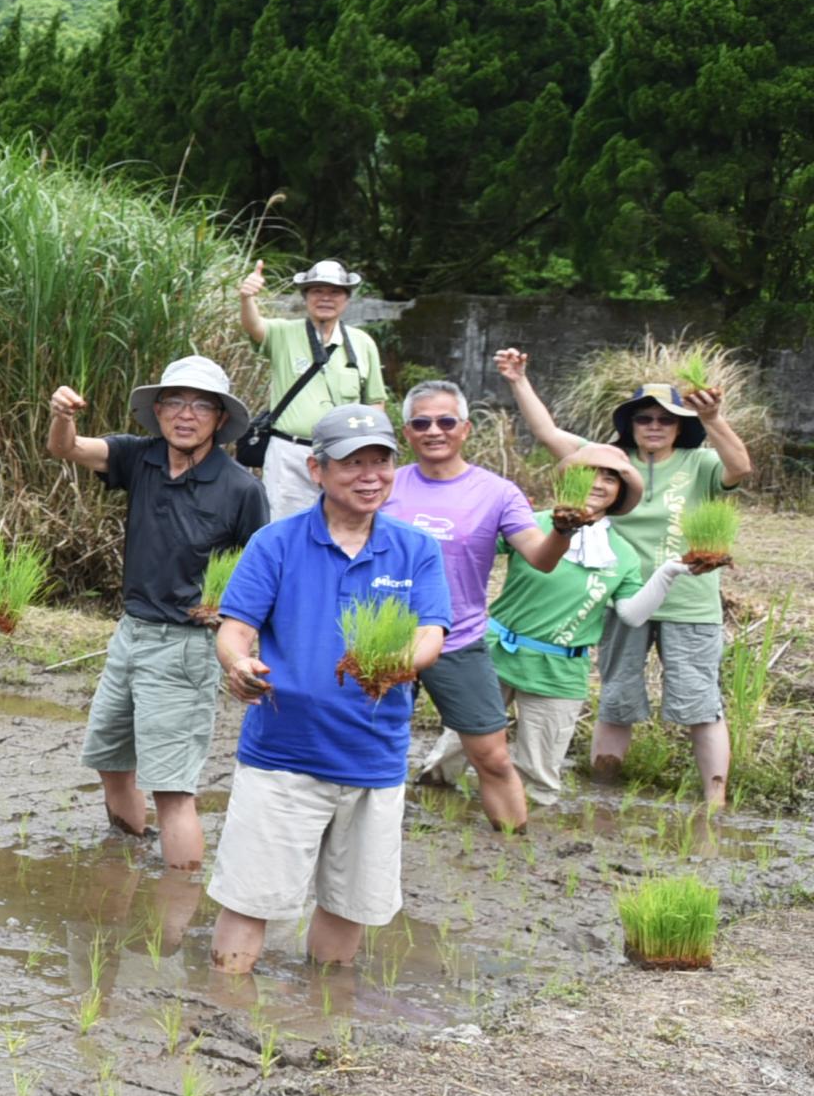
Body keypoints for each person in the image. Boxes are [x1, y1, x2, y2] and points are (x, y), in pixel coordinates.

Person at [206, 405, 451, 973]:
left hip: (373, 758)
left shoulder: (416, 549)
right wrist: (239, 665)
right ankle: (223, 1004)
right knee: (250, 899)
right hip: (282, 756)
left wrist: (389, 664)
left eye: (381, 462)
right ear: (316, 470)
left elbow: (430, 636)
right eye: (353, 463)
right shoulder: (275, 543)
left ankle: (323, 1012)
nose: (370, 476)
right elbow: (235, 631)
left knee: (348, 906)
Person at [494, 351, 755, 808]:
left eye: (666, 419)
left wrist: (714, 418)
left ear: (680, 426)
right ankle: (603, 795)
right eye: (643, 418)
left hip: (690, 602)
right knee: (617, 698)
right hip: (618, 598)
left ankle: (714, 803)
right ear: (630, 424)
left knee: (700, 702)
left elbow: (740, 468)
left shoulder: (700, 463)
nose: (654, 426)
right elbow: (549, 433)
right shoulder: (611, 463)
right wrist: (518, 381)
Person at [46, 357, 268, 870]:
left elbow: (260, 575)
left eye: (201, 405)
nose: (186, 415)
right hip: (130, 634)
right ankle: (129, 857)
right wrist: (62, 416)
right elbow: (67, 448)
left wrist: (240, 641)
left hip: (187, 645)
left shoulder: (241, 489)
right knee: (112, 762)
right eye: (175, 402)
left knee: (172, 788)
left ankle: (177, 898)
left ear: (220, 418)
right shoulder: (139, 456)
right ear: (159, 409)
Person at [418, 446, 679, 810]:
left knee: (539, 771)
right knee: (454, 748)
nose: (598, 483)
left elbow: (633, 615)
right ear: (569, 478)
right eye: (589, 472)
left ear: (620, 492)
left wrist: (668, 574)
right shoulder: (529, 523)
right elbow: (469, 550)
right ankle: (431, 812)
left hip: (560, 670)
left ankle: (521, 833)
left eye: (610, 478)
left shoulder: (621, 554)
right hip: (494, 654)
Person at [385, 381, 574, 833]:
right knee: (370, 745)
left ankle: (514, 845)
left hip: (459, 639)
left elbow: (541, 558)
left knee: (491, 756)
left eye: (446, 421)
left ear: (465, 429)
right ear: (407, 432)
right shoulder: (385, 484)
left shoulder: (497, 492)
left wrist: (563, 530)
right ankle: (368, 836)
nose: (434, 431)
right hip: (384, 639)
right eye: (421, 423)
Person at [237, 258, 387, 521]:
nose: (325, 298)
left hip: (344, 455)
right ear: (305, 296)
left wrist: (371, 451)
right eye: (317, 290)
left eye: (335, 292)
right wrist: (246, 297)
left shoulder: (362, 343)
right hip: (289, 453)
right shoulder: (284, 333)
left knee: (344, 523)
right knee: (285, 526)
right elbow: (254, 326)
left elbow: (375, 401)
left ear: (347, 299)